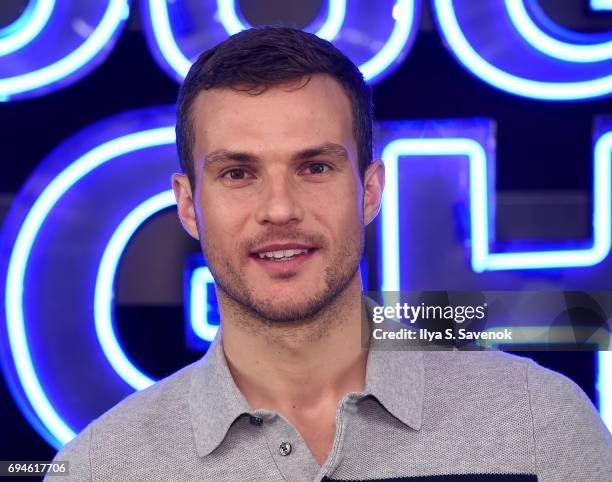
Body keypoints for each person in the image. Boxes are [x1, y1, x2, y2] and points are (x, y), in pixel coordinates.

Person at [48, 27, 611, 481]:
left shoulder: (540, 424)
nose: (278, 208)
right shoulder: (100, 469)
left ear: (369, 191)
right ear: (190, 205)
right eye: (238, 173)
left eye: (314, 167)